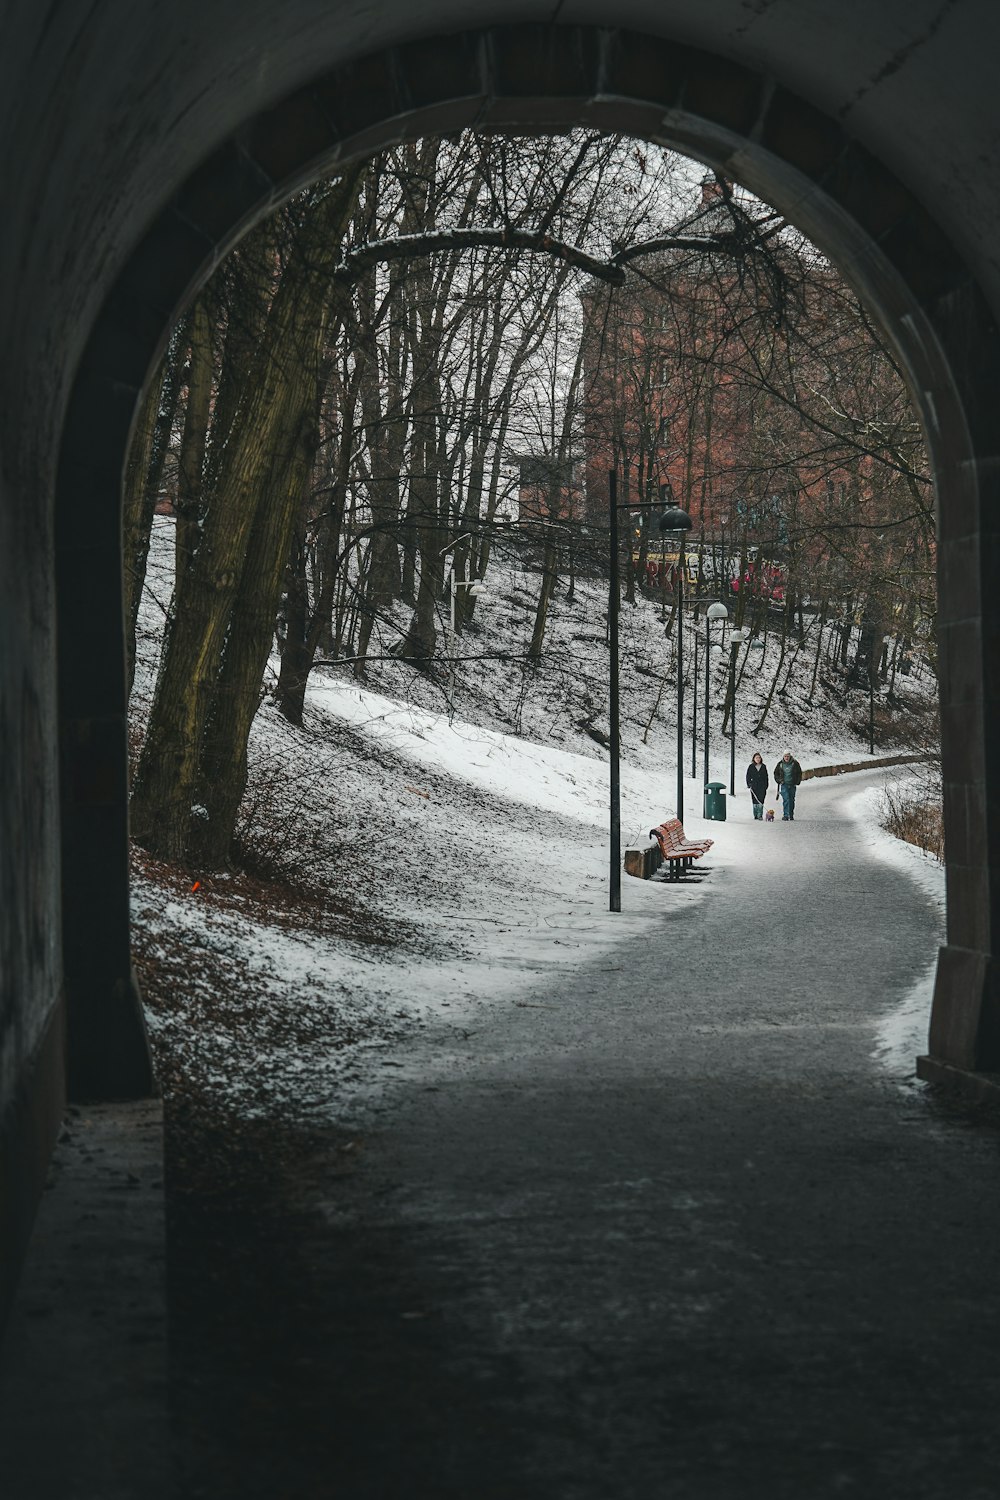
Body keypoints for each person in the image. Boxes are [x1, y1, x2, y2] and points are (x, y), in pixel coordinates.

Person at [773, 750, 803, 820]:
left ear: (790, 756)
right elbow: (775, 773)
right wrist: (779, 780)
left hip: (792, 784)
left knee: (791, 800)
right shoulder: (780, 764)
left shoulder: (795, 763)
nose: (786, 758)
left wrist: (797, 781)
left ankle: (791, 814)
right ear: (783, 756)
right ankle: (786, 815)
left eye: (788, 756)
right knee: (786, 799)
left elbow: (799, 773)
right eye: (785, 756)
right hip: (784, 784)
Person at [746, 752, 769, 819]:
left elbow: (766, 776)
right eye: (756, 758)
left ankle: (760, 814)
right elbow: (748, 776)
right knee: (755, 800)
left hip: (762, 786)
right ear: (754, 759)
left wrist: (766, 785)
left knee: (761, 800)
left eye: (759, 757)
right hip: (754, 786)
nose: (758, 759)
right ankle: (755, 814)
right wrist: (749, 784)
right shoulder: (751, 767)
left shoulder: (763, 766)